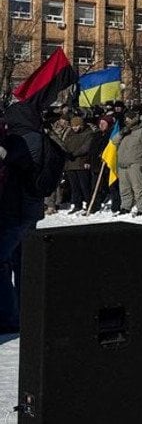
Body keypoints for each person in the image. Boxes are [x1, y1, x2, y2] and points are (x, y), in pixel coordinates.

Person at [0, 103, 49, 333]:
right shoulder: (29, 135)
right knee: (18, 261)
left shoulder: (29, 138)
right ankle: (20, 310)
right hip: (19, 209)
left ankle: (13, 316)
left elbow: (9, 158)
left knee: (9, 261)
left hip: (22, 211)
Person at [115, 113, 142, 216]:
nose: (127, 121)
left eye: (129, 119)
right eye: (126, 119)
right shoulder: (125, 132)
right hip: (122, 164)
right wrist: (121, 133)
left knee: (139, 187)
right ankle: (125, 206)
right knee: (124, 188)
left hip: (136, 163)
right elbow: (114, 142)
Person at [62, 116, 97, 213]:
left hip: (81, 162)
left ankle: (89, 203)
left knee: (84, 186)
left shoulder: (88, 133)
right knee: (74, 186)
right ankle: (77, 204)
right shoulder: (69, 134)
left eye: (77, 126)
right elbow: (64, 144)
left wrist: (74, 153)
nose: (75, 128)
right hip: (70, 164)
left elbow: (86, 147)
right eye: (73, 126)